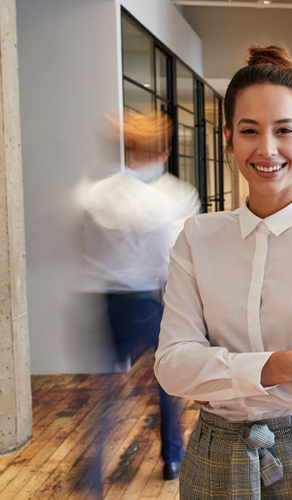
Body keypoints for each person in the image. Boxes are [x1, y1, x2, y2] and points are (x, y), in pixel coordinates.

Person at [154, 46, 292, 499]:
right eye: (249, 130)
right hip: (213, 458)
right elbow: (173, 368)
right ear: (229, 138)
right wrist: (285, 364)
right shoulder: (197, 236)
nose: (266, 149)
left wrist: (218, 378)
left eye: (284, 130)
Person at [79, 110, 200, 486]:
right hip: (150, 302)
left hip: (108, 303)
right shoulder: (174, 199)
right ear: (164, 151)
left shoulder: (95, 195)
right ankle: (172, 460)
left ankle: (94, 470)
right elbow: (173, 260)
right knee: (167, 384)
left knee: (107, 392)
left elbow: (87, 250)